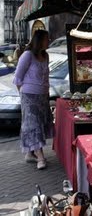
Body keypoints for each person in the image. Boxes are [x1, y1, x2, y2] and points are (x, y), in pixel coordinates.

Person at [13, 30, 53, 170]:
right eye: (47, 39)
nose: (49, 40)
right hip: (29, 96)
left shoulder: (45, 55)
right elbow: (18, 78)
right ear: (40, 40)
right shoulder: (27, 55)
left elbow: (46, 76)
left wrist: (47, 92)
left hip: (42, 96)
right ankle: (40, 157)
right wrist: (23, 96)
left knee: (39, 124)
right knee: (33, 126)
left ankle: (30, 153)